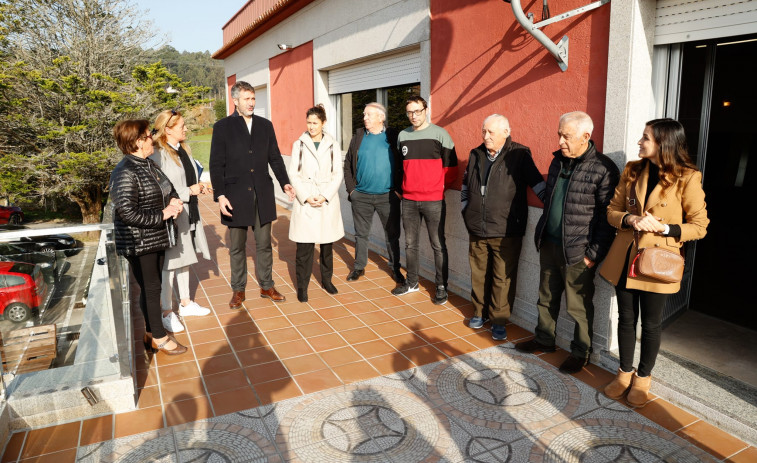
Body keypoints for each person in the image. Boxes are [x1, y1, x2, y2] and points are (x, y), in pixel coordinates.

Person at [600, 118, 708, 407]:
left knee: (650, 324)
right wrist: (630, 218)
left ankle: (643, 378)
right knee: (625, 318)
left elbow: (700, 226)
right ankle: (624, 373)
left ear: (663, 142)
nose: (639, 141)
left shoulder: (687, 177)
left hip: (657, 261)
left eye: (645, 137)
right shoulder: (632, 170)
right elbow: (612, 210)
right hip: (626, 256)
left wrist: (666, 229)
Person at [515, 111, 619, 374]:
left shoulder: (603, 168)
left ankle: (580, 352)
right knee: (546, 296)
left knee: (578, 305)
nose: (560, 141)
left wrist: (592, 254)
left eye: (567, 136)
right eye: (559, 134)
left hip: (578, 251)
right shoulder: (557, 162)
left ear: (586, 137)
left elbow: (608, 218)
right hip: (549, 243)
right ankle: (544, 339)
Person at [209, 81, 295, 308]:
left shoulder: (265, 126)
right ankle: (238, 290)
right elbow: (216, 164)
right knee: (236, 247)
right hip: (234, 196)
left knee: (264, 244)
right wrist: (220, 195)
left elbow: (275, 158)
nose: (251, 103)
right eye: (246, 99)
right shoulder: (222, 127)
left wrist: (285, 183)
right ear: (235, 101)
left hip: (262, 194)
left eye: (253, 99)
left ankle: (267, 285)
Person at [462, 115, 546, 340]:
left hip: (507, 229)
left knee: (503, 277)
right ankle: (479, 312)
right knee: (479, 273)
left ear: (506, 132)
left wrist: (552, 207)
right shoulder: (475, 154)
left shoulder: (519, 154)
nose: (485, 136)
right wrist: (465, 209)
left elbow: (537, 183)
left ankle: (499, 319)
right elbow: (465, 185)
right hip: (477, 226)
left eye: (491, 132)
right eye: (484, 131)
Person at [110, 119, 186, 355]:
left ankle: (151, 333)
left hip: (155, 238)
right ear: (137, 141)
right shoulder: (124, 171)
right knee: (152, 288)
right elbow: (127, 212)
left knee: (151, 288)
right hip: (139, 241)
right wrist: (162, 214)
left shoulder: (148, 164)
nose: (153, 137)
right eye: (148, 134)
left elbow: (168, 188)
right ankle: (160, 338)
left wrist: (173, 199)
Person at [149, 110, 212, 334]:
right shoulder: (158, 154)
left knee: (184, 258)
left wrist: (199, 186)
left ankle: (185, 303)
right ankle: (167, 312)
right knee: (170, 265)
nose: (186, 129)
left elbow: (189, 176)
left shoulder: (183, 149)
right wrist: (189, 191)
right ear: (167, 129)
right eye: (181, 126)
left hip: (188, 212)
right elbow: (160, 189)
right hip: (173, 215)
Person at [392, 95, 457, 304]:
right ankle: (412, 282)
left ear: (426, 110)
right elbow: (399, 166)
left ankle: (441, 287)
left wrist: (436, 188)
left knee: (438, 244)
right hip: (409, 201)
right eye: (410, 112)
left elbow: (452, 169)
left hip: (434, 200)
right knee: (410, 244)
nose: (413, 116)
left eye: (417, 111)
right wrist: (400, 189)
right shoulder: (402, 135)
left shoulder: (440, 134)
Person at [343, 102, 404, 285]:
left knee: (392, 235)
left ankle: (395, 268)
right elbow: (347, 164)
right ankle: (359, 267)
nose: (364, 118)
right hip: (361, 196)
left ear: (381, 117)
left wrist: (399, 191)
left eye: (368, 115)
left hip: (388, 196)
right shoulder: (359, 136)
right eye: (364, 115)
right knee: (361, 234)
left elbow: (404, 164)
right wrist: (351, 190)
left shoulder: (393, 136)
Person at [288, 105, 344, 302]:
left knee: (327, 246)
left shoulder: (333, 144)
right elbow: (293, 173)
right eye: (309, 122)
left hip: (326, 199)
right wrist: (305, 196)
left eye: (315, 123)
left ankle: (327, 280)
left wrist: (326, 195)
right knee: (304, 248)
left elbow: (338, 173)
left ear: (323, 123)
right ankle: (302, 286)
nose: (311, 126)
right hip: (307, 199)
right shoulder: (299, 144)